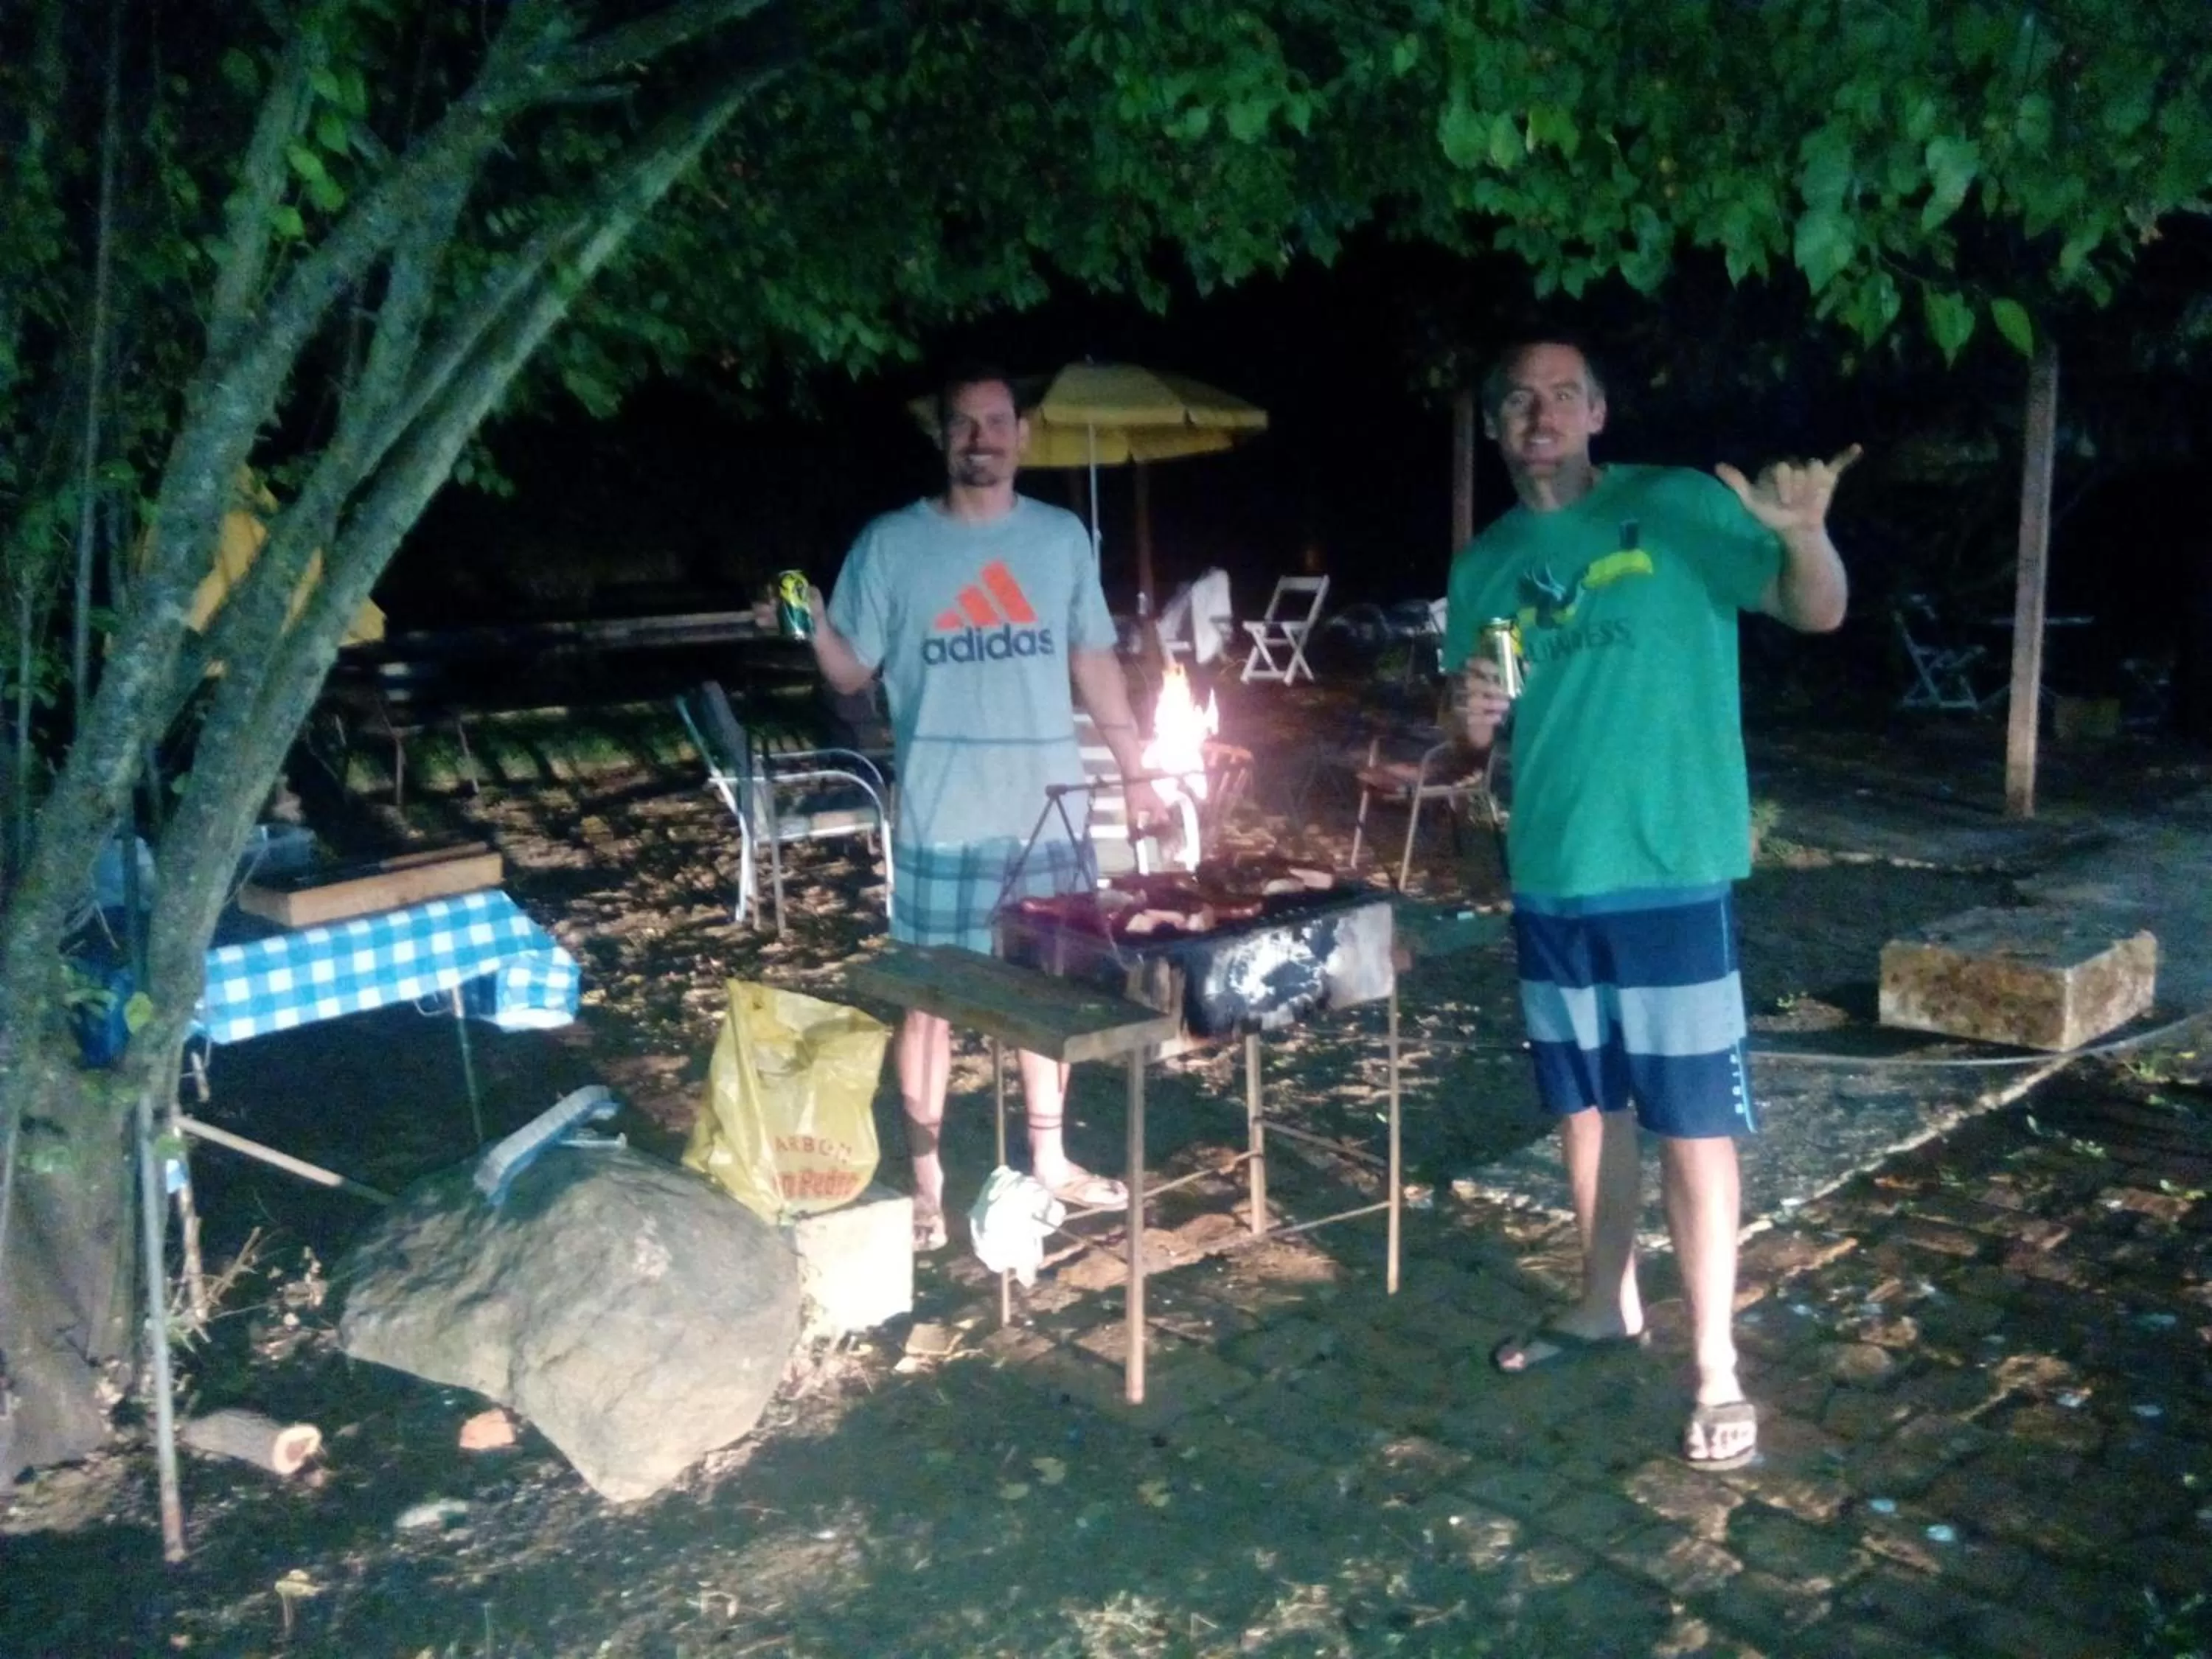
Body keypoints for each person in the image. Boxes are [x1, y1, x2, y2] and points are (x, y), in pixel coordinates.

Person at [1444, 337, 1857, 1472]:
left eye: (1561, 396)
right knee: (1587, 1107)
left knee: (1691, 1117)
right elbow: (1479, 710)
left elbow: (1813, 611)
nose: (1540, 414)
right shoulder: (1488, 566)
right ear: (1495, 426)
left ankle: (1716, 1361)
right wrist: (1469, 720)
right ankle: (1602, 1299)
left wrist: (1806, 533)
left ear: (1598, 412)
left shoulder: (1674, 508)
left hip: (1670, 862)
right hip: (1552, 866)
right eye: (1516, 397)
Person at [806, 366, 1164, 1251]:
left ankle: (1050, 1163)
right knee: (927, 1003)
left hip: (1048, 814)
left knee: (1046, 995)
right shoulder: (892, 545)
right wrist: (812, 622)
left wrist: (1135, 766)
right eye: (963, 425)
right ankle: (926, 1185)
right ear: (942, 437)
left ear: (1023, 435)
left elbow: (1092, 658)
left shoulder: (1059, 538)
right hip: (942, 817)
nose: (981, 439)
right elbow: (852, 671)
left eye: (995, 423)